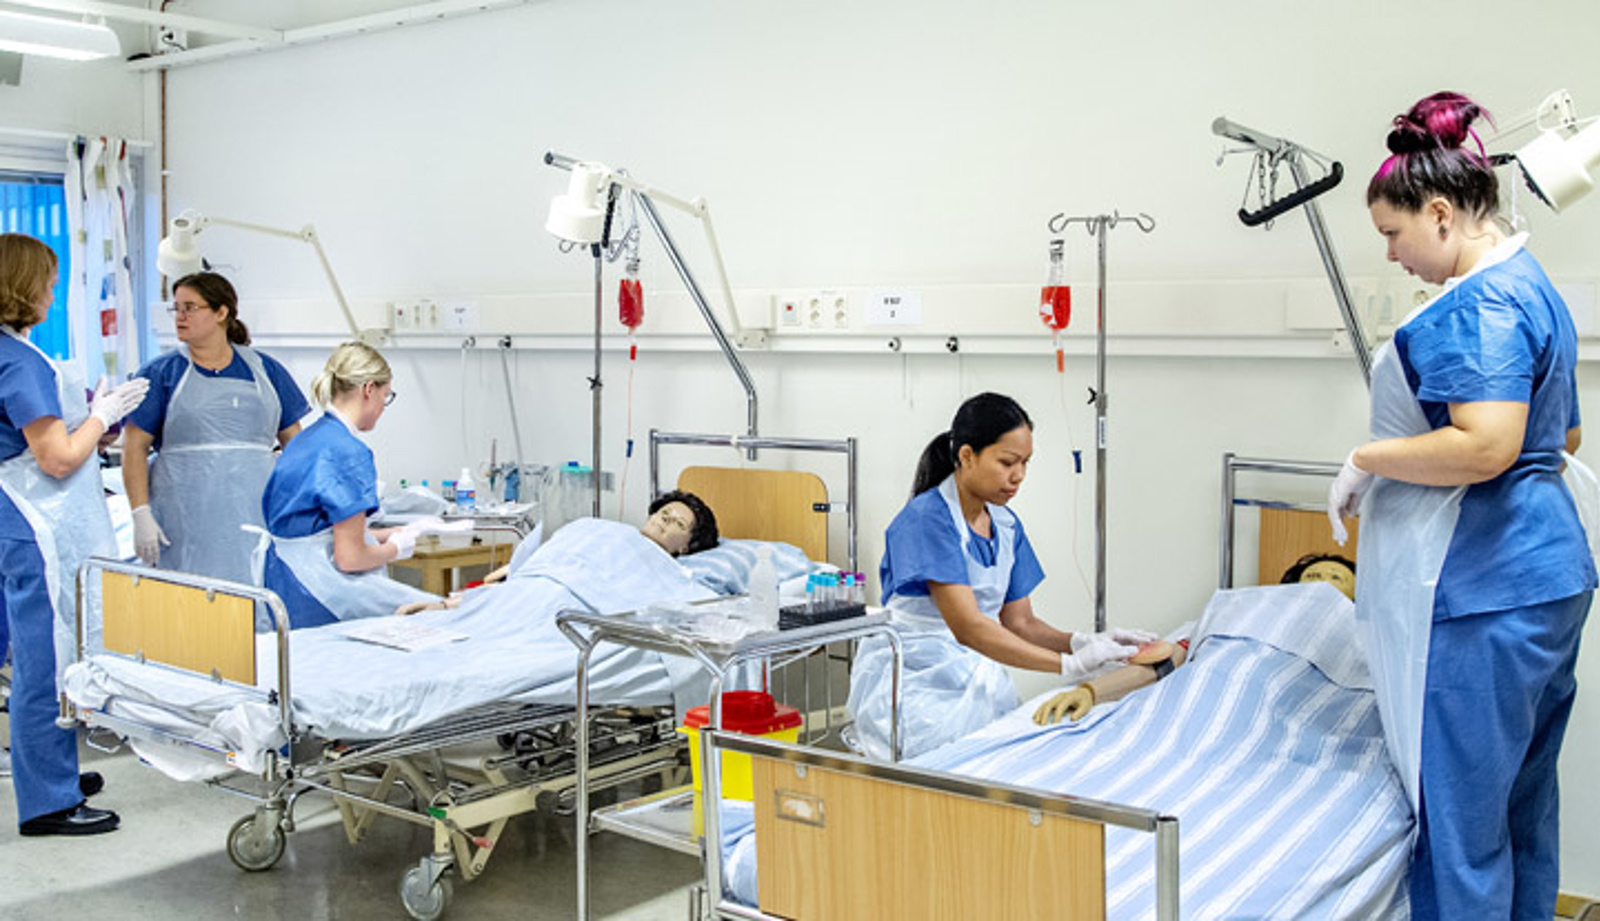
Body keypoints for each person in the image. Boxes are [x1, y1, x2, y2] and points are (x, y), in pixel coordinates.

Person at [1327, 91, 1594, 921]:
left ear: (1439, 213)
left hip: (1487, 589)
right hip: (1549, 575)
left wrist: (1368, 459)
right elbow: (1565, 435)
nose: (1391, 254)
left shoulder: (1475, 304)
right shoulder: (1532, 283)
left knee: (1462, 822)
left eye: (1393, 233)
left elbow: (1488, 445)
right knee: (1520, 802)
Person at [846, 392, 1153, 760]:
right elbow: (969, 627)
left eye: (1025, 463)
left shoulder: (1005, 525)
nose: (1018, 475)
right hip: (917, 687)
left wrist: (1082, 643)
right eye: (1007, 462)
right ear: (967, 456)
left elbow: (1020, 622)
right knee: (941, 774)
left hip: (978, 682)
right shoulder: (928, 519)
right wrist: (1067, 665)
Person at [0, 233, 150, 836]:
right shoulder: (17, 362)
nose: (53, 291)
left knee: (39, 655)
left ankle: (50, 770)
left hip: (17, 519)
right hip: (31, 526)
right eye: (49, 281)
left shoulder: (15, 351)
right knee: (46, 660)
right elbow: (56, 458)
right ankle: (48, 801)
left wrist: (94, 424)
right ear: (23, 285)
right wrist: (102, 416)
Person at [121, 273, 310, 585]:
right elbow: (134, 448)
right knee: (188, 597)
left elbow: (297, 446)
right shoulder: (160, 374)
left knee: (255, 592)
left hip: (255, 512)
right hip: (184, 518)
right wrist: (140, 512)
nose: (180, 317)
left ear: (221, 312)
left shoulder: (266, 371)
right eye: (176, 308)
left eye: (190, 308)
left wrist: (303, 504)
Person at [256, 342, 437, 630]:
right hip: (321, 595)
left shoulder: (305, 441)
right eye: (385, 396)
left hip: (284, 587)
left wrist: (396, 533)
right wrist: (395, 549)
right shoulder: (348, 453)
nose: (383, 407)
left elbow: (316, 533)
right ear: (369, 389)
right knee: (440, 614)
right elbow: (350, 558)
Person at [395, 489, 721, 615]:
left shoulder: (668, 573)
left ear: (686, 546)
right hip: (534, 590)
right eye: (663, 513)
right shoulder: (603, 530)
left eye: (678, 523)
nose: (664, 521)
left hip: (563, 608)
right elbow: (535, 577)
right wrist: (450, 603)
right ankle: (449, 609)